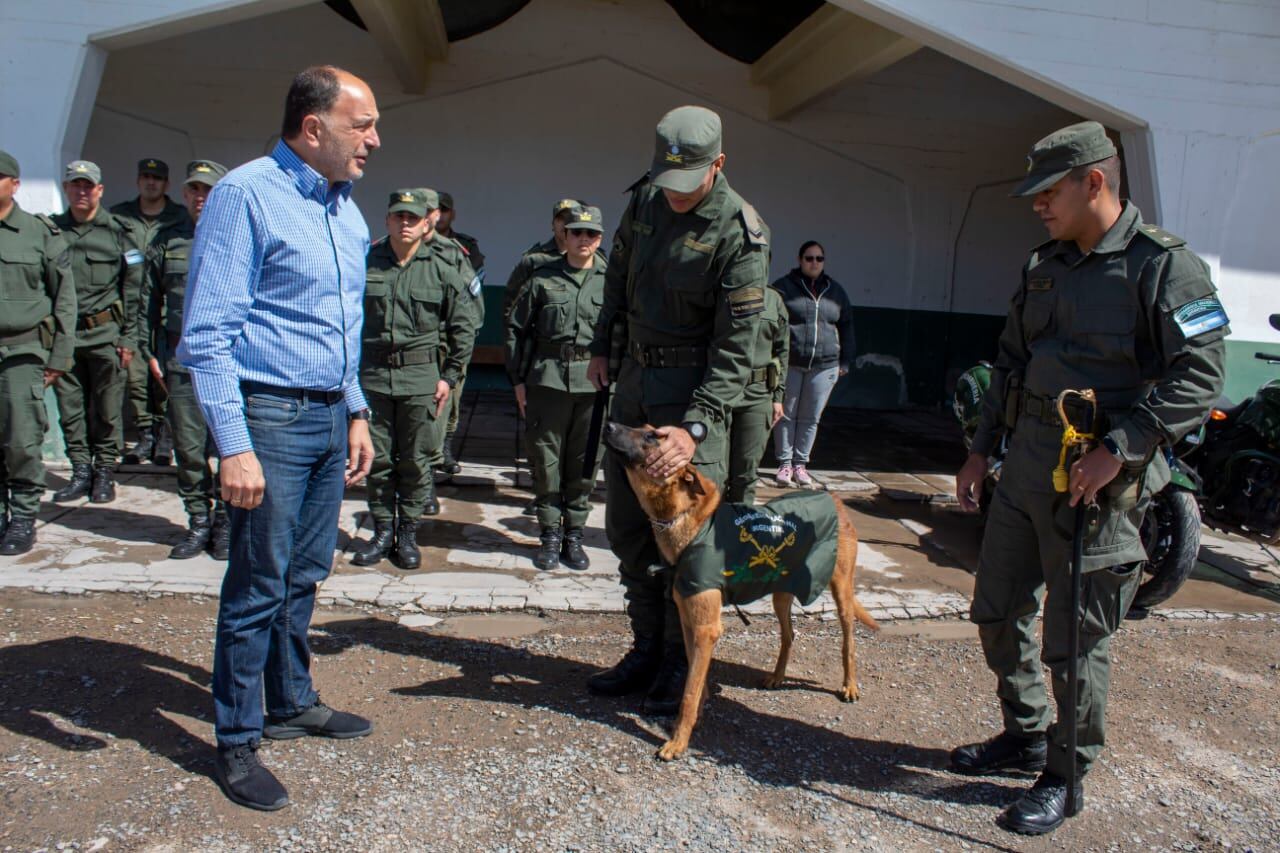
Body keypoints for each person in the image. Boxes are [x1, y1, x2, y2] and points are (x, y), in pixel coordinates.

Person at [951, 121, 1228, 835]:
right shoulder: (1044, 264)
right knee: (996, 607)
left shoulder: (1164, 266)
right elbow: (1010, 360)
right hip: (1026, 463)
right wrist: (982, 449)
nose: (1037, 205)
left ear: (1093, 182)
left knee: (1076, 639)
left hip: (1098, 478)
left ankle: (1065, 775)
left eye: (1048, 191)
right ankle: (1026, 730)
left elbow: (1202, 374)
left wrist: (1123, 446)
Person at [179, 65, 380, 812]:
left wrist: (355, 410)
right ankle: (237, 739)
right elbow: (209, 334)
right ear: (313, 126)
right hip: (269, 418)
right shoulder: (244, 195)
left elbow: (343, 326)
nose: (374, 139)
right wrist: (233, 443)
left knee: (303, 571)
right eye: (362, 125)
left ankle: (290, 700)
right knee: (257, 582)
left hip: (329, 415)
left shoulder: (347, 212)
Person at [586, 105, 770, 715]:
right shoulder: (645, 201)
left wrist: (695, 428)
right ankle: (645, 649)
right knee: (629, 530)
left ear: (719, 164)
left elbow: (737, 347)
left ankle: (680, 662)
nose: (677, 194)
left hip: (690, 399)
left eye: (689, 180)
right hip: (636, 381)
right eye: (669, 179)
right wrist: (602, 346)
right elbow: (618, 276)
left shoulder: (741, 233)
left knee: (690, 547)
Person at [350, 188, 478, 569]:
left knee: (417, 461)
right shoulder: (366, 263)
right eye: (398, 216)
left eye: (412, 218)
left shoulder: (442, 267)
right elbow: (345, 320)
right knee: (378, 458)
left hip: (422, 378)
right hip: (373, 376)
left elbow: (464, 326)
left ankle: (407, 533)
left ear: (427, 224)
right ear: (387, 220)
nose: (404, 223)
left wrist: (449, 376)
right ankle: (382, 531)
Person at [137, 159, 230, 560]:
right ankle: (198, 522)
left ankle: (226, 523)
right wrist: (150, 351)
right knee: (189, 450)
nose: (200, 197)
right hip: (180, 359)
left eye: (208, 190)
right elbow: (147, 300)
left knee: (230, 447)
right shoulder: (168, 240)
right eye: (194, 189)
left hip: (229, 363)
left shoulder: (240, 238)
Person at [506, 205, 607, 571]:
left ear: (600, 238)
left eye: (590, 234)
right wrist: (517, 380)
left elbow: (624, 333)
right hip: (547, 380)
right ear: (565, 235)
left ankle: (574, 536)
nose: (583, 239)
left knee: (584, 464)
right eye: (576, 232)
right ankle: (549, 535)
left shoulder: (612, 283)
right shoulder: (542, 278)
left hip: (595, 387)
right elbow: (516, 330)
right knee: (546, 462)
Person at [49, 160, 144, 505]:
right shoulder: (52, 232)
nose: (82, 191)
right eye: (75, 185)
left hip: (106, 335)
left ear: (100, 190)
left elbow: (134, 291)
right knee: (71, 410)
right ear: (66, 188)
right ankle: (80, 471)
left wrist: (129, 339)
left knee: (107, 409)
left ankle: (104, 472)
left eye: (88, 185)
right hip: (65, 338)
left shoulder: (119, 233)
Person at [0, 150, 76, 555]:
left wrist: (59, 356)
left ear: (14, 184)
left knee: (22, 442)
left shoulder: (38, 233)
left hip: (22, 352)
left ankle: (24, 516)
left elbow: (64, 298)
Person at [112, 158, 189, 467]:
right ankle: (145, 434)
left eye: (157, 178)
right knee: (137, 376)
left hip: (167, 311)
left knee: (168, 378)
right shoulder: (119, 217)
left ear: (166, 184)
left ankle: (166, 438)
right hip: (131, 307)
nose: (151, 182)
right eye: (145, 176)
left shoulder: (179, 218)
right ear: (138, 180)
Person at [770, 241, 855, 489]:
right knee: (784, 415)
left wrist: (846, 362)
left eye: (819, 258)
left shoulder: (835, 291)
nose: (814, 263)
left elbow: (847, 325)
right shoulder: (783, 288)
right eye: (809, 258)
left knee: (810, 418)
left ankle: (800, 465)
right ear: (799, 259)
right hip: (790, 363)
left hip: (825, 366)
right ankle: (784, 464)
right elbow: (770, 325)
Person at [431, 191, 484, 480]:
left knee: (451, 398)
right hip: (422, 339)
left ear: (452, 214)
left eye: (444, 210)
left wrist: (465, 337)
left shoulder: (464, 250)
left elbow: (472, 295)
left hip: (453, 337)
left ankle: (445, 448)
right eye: (434, 209)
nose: (439, 215)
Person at [725, 285, 788, 503]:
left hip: (758, 394)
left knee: (746, 472)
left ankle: (739, 529)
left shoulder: (773, 300)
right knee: (714, 471)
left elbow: (782, 351)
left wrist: (778, 398)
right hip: (721, 391)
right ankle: (710, 530)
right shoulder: (716, 291)